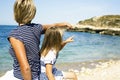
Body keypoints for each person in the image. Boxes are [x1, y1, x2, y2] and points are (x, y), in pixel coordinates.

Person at [0, 0, 72, 80]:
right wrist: (64, 24)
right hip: (36, 73)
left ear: (16, 13)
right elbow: (53, 26)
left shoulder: (15, 35)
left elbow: (26, 68)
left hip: (22, 76)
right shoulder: (37, 28)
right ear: (33, 13)